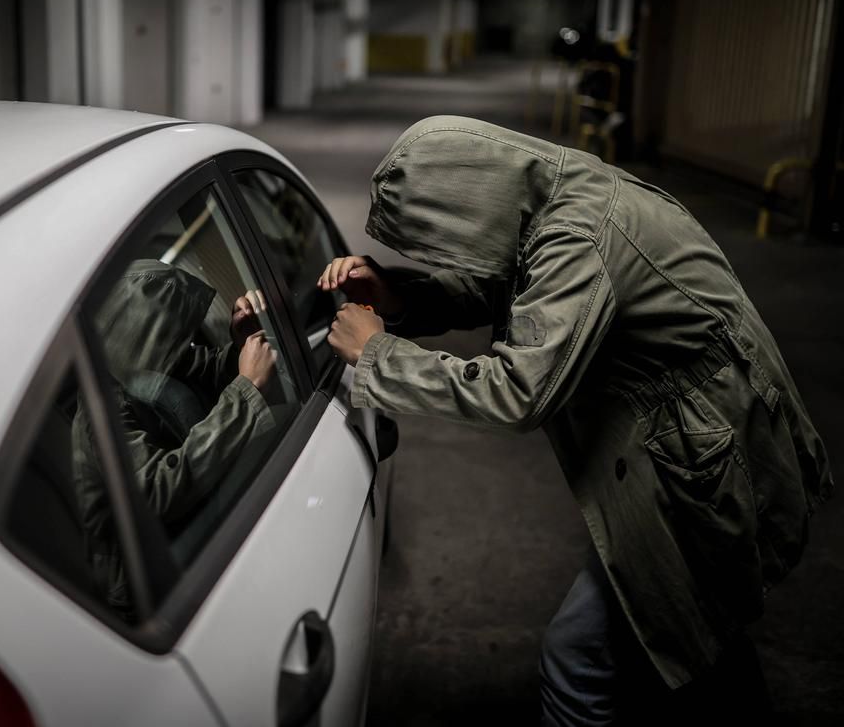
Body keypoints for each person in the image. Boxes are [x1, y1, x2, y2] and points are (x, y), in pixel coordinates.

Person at [321, 115, 832, 725]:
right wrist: (398, 296)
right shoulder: (553, 192)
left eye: (440, 235)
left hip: (703, 465)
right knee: (698, 635)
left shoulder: (578, 237)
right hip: (694, 445)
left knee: (582, 659)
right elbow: (507, 284)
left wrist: (379, 353)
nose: (445, 251)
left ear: (469, 201)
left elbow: (518, 392)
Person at [73, 259, 278, 619]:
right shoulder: (100, 413)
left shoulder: (141, 361)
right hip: (148, 590)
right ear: (142, 331)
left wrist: (240, 345)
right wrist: (245, 392)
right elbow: (155, 491)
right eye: (170, 334)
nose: (183, 347)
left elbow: (202, 369)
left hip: (188, 539)